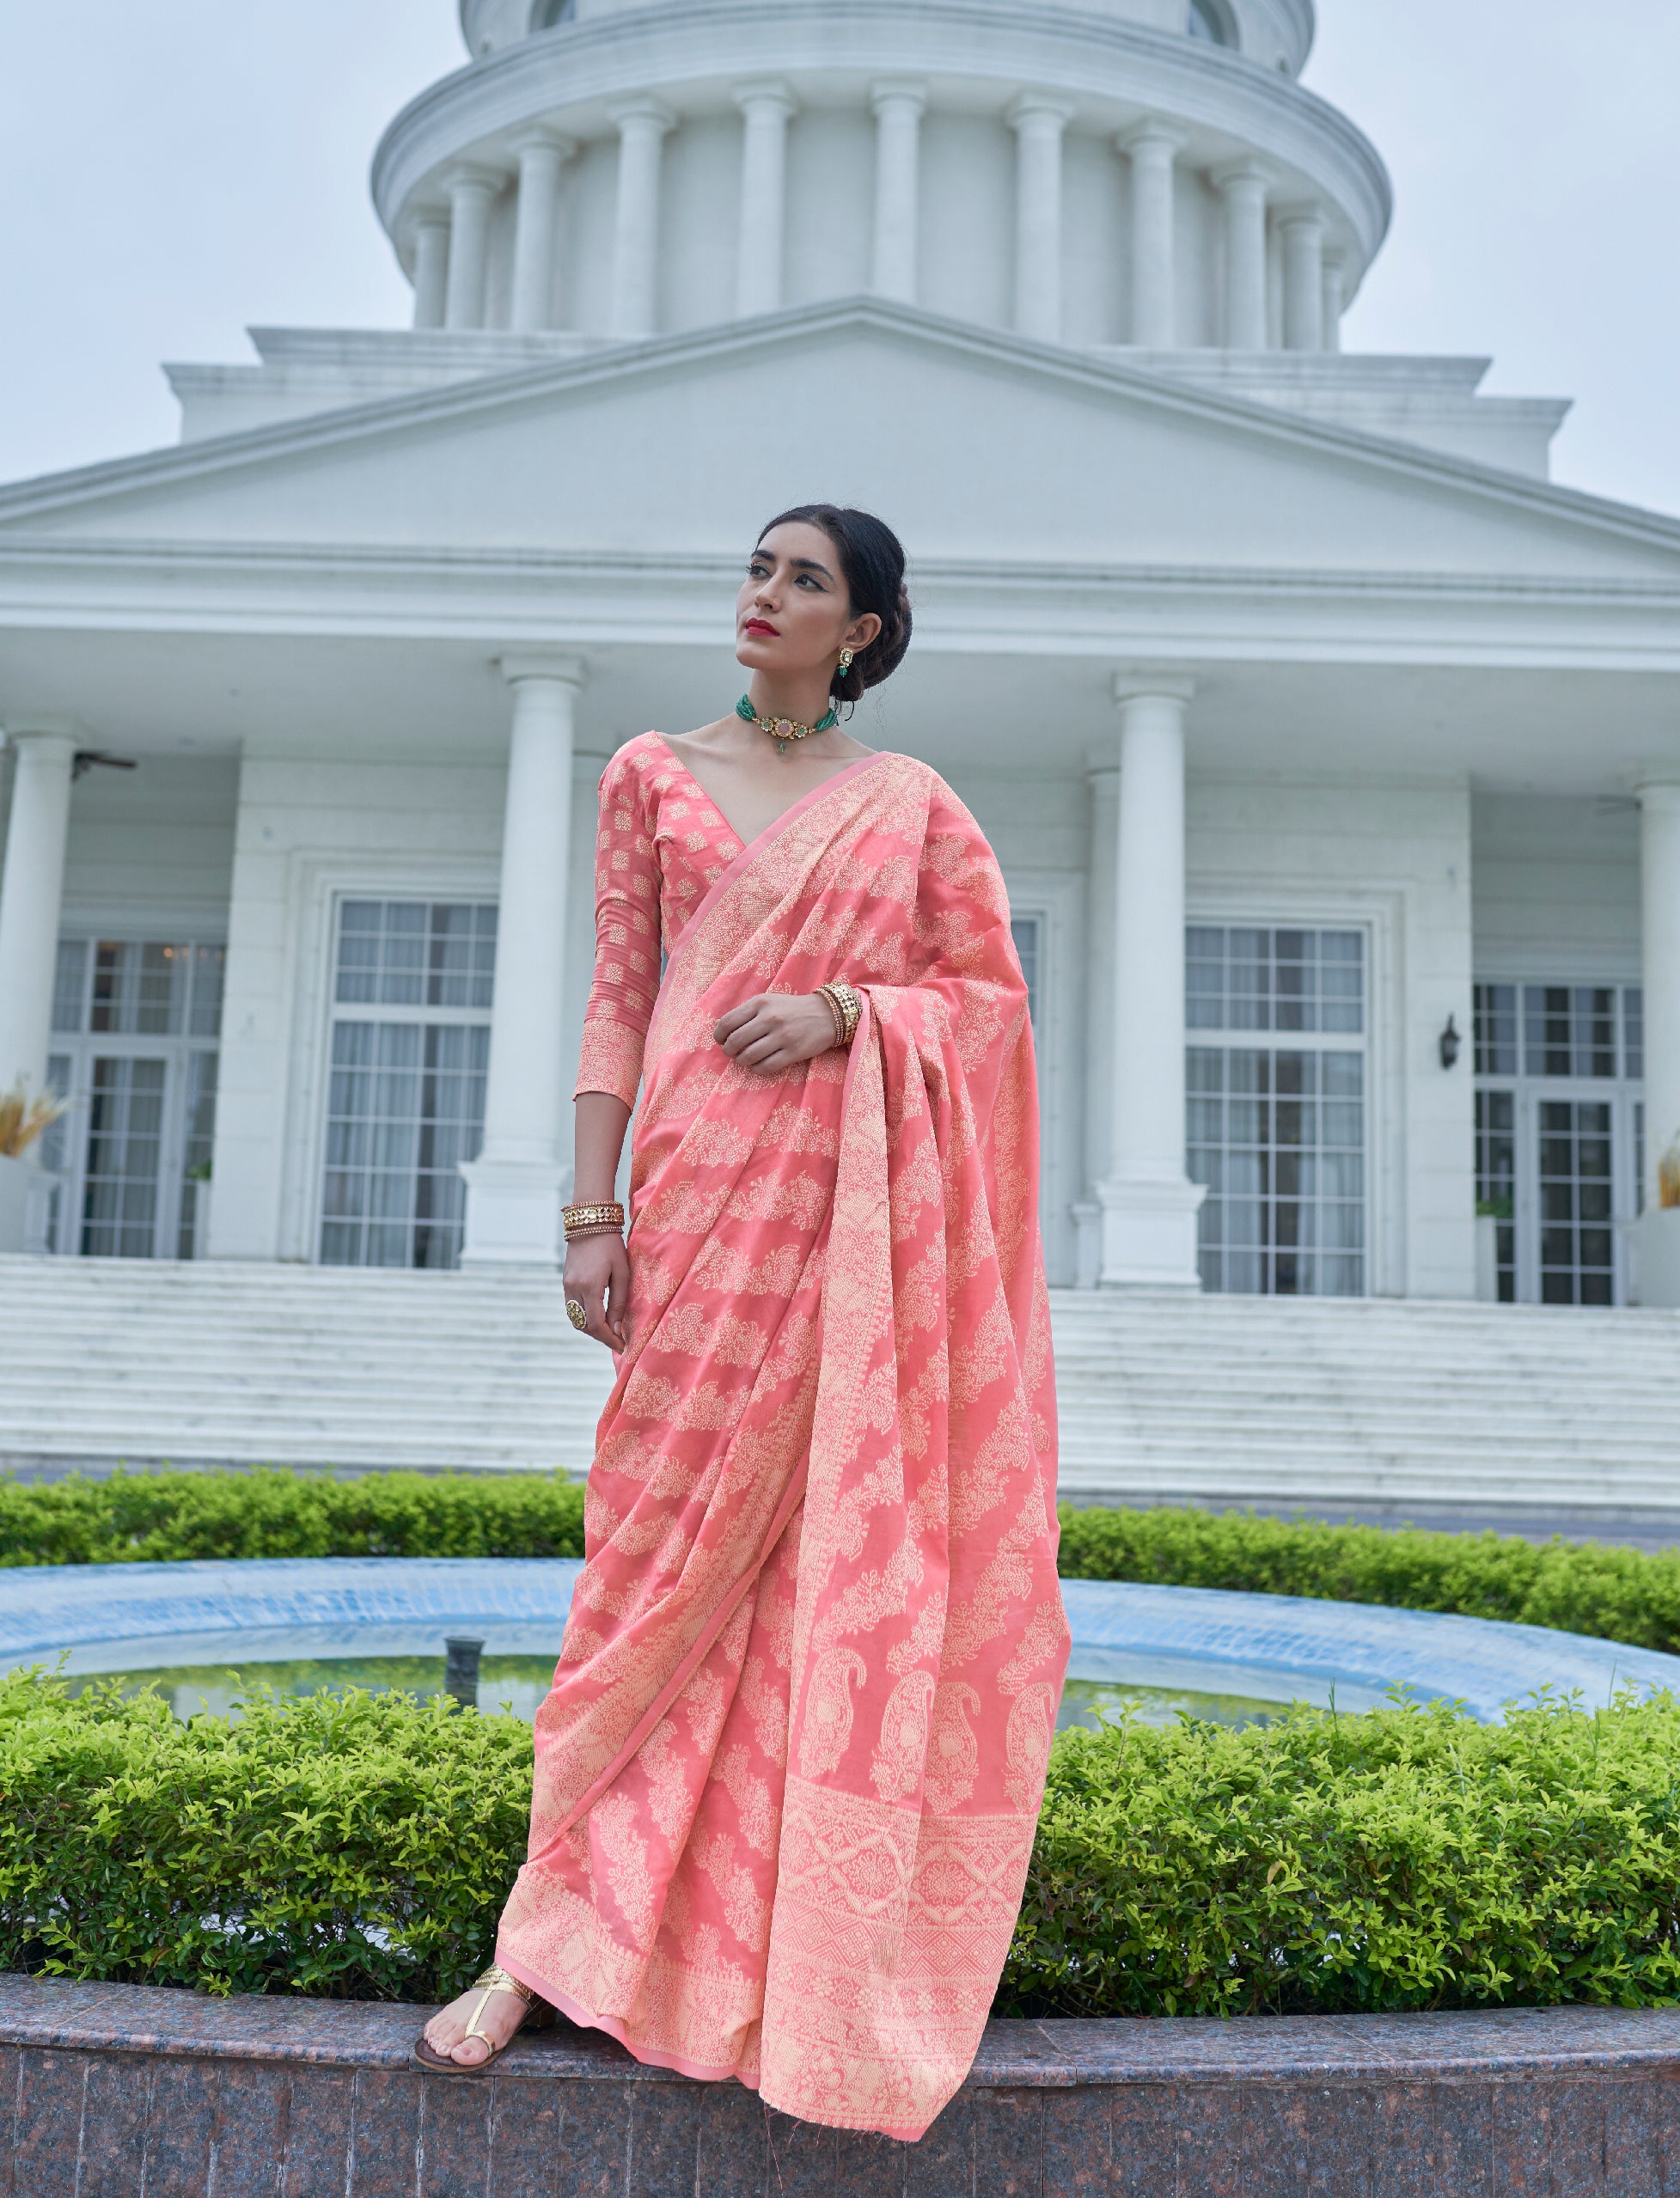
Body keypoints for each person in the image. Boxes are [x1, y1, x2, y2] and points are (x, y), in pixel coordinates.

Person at [416, 504, 1069, 2143]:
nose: (761, 596)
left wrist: (852, 1010)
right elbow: (617, 995)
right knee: (641, 1568)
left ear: (861, 627)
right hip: (700, 1210)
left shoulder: (910, 809)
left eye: (802, 580)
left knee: (804, 1588)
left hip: (844, 1237)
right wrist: (589, 1211)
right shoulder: (649, 769)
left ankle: (761, 1956)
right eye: (757, 569)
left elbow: (986, 1008)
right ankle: (538, 1939)